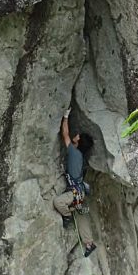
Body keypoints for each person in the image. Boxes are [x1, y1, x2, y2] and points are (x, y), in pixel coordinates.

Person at [52, 109, 97, 257]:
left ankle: (67, 215)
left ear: (78, 142)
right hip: (80, 192)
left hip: (74, 193)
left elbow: (65, 134)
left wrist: (65, 116)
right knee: (82, 215)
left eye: (78, 136)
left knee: (59, 202)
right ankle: (89, 243)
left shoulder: (73, 153)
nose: (75, 135)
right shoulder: (80, 157)